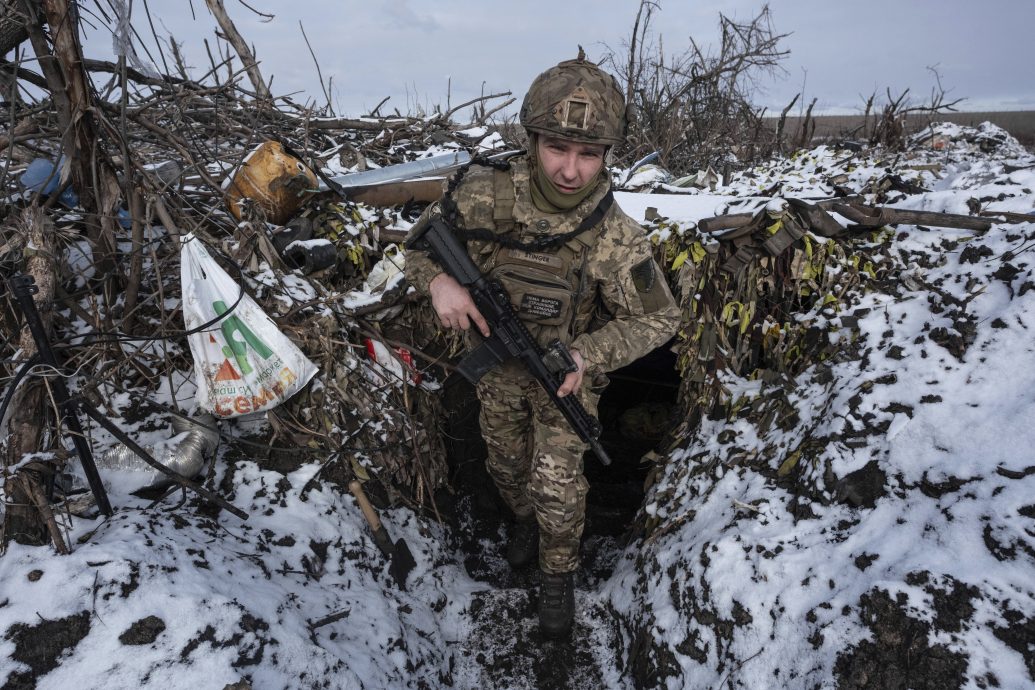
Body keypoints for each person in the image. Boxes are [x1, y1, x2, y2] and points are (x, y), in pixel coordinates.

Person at [405, 51, 680, 639]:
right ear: (531, 139)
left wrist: (588, 356)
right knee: (505, 466)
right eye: (557, 147)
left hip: (565, 377)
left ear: (607, 156)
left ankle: (559, 577)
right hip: (496, 370)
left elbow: (659, 321)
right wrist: (439, 283)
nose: (571, 170)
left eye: (589, 154)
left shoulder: (615, 235)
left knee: (558, 483)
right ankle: (521, 524)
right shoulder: (484, 195)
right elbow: (419, 243)